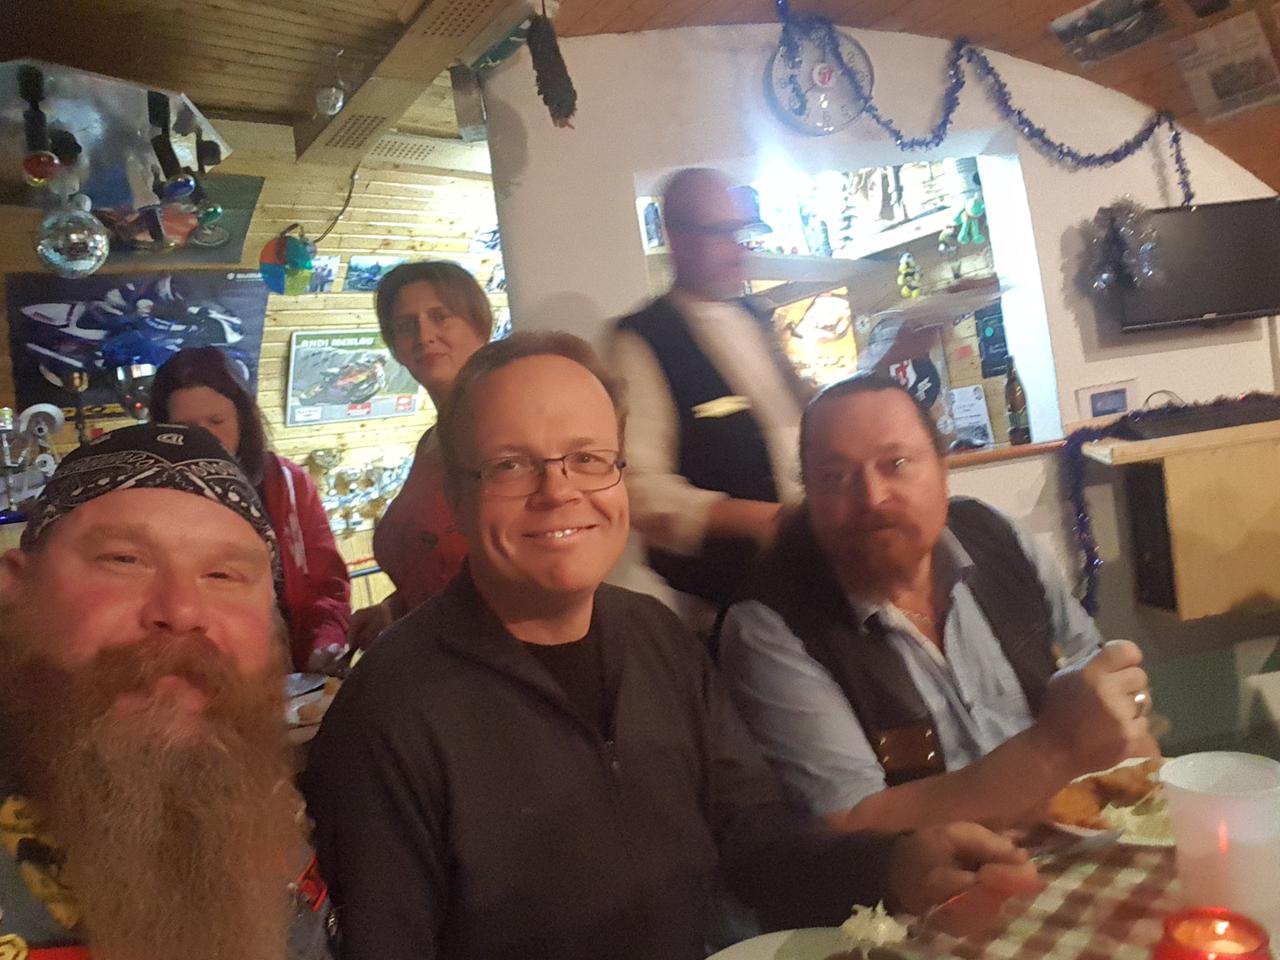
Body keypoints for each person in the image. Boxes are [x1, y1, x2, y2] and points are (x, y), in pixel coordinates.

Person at [303, 332, 1040, 960]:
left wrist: (896, 866)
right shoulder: (387, 714)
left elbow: (754, 844)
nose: (558, 491)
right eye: (511, 465)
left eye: (588, 458)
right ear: (459, 499)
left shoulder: (657, 638)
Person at [720, 373, 1160, 834]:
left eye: (896, 463)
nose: (872, 498)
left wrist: (1126, 726)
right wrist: (1053, 747)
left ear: (943, 470)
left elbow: (1097, 677)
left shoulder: (1000, 538)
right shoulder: (770, 625)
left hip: (1082, 834)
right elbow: (851, 820)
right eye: (835, 477)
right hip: (938, 874)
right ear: (808, 496)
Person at [0, 423, 330, 960]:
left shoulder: (284, 816)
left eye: (222, 575)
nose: (180, 611)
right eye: (124, 560)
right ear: (16, 588)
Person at [609, 167, 813, 612]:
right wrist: (764, 519)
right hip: (722, 602)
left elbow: (797, 420)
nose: (738, 248)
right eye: (721, 233)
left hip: (806, 574)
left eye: (740, 231)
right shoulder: (643, 338)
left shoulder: (756, 316)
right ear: (676, 238)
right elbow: (639, 488)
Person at [151, 347, 351, 672]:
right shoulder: (149, 498)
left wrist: (325, 641)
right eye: (185, 427)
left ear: (243, 419)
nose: (204, 438)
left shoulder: (289, 484)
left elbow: (326, 584)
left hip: (290, 668)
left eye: (217, 421)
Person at [345, 261, 492, 649]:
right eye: (406, 325)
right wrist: (391, 612)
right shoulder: (431, 442)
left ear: (480, 326)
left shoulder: (506, 435)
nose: (424, 335)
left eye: (440, 317)